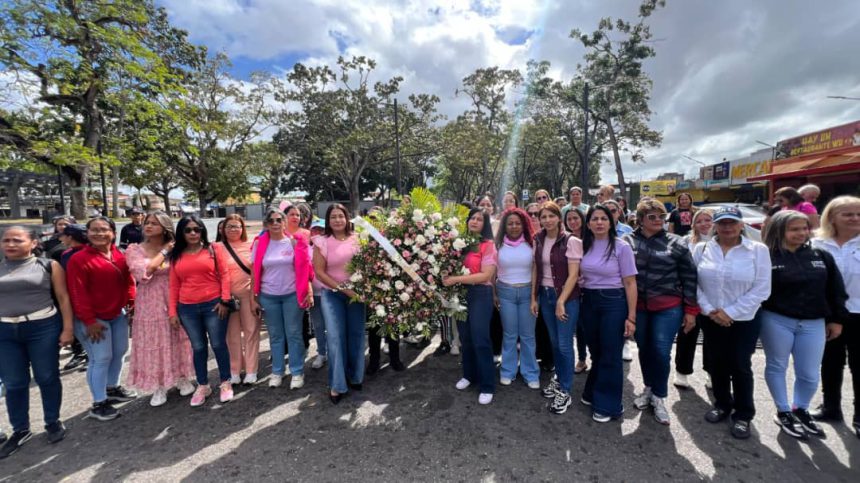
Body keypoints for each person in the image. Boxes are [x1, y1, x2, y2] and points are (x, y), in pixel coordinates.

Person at [761, 210, 848, 439]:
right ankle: (783, 411)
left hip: (814, 322)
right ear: (780, 230)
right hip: (777, 319)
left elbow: (835, 290)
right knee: (777, 366)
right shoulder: (767, 256)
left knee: (809, 373)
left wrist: (836, 319)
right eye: (794, 229)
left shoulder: (821, 255)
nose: (801, 233)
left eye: (804, 228)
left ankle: (801, 408)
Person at [693, 207, 771, 439]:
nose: (727, 227)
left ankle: (743, 414)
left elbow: (762, 288)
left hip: (744, 319)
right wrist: (710, 310)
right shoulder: (703, 248)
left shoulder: (757, 250)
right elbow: (694, 282)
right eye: (722, 223)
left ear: (741, 225)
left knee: (740, 365)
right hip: (711, 316)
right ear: (715, 225)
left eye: (732, 222)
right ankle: (722, 403)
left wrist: (730, 312)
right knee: (716, 362)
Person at [0, 227, 74, 458]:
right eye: (6, 240)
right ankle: (20, 428)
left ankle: (52, 420)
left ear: (33, 243)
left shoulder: (48, 265)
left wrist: (68, 328)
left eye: (17, 240)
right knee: (13, 382)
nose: (10, 244)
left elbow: (63, 297)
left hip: (42, 327)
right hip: (5, 330)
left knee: (47, 376)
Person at [623, 199, 699, 425]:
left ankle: (659, 396)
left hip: (668, 307)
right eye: (652, 217)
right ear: (640, 219)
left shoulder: (676, 242)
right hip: (638, 308)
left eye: (661, 217)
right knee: (645, 349)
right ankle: (648, 388)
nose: (658, 221)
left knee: (660, 351)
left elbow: (690, 276)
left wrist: (691, 310)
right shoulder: (626, 241)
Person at [66, 217, 138, 421]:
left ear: (113, 233)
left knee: (120, 352)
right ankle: (99, 403)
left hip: (117, 314)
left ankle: (112, 387)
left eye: (104, 229)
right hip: (94, 319)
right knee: (100, 358)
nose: (99, 233)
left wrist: (132, 302)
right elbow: (77, 293)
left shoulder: (118, 255)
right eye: (94, 230)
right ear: (87, 234)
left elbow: (128, 281)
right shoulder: (78, 259)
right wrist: (89, 321)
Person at [125, 212, 196, 406]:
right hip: (150, 299)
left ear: (165, 227)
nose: (148, 226)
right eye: (147, 223)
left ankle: (181, 376)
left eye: (154, 223)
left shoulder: (177, 247)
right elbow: (144, 272)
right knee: (155, 340)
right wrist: (164, 252)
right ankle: (159, 385)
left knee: (179, 336)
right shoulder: (135, 249)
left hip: (176, 294)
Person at [579, 204, 638, 422]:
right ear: (588, 224)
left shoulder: (621, 247)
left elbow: (630, 283)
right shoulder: (584, 246)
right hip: (589, 301)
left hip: (613, 302)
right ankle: (591, 391)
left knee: (611, 355)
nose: (599, 222)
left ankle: (608, 405)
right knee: (597, 352)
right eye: (594, 219)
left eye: (604, 218)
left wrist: (631, 317)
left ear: (611, 222)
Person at [168, 215, 234, 406]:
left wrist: (225, 300)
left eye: (197, 229)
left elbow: (225, 275)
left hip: (213, 305)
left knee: (218, 344)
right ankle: (203, 384)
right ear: (182, 233)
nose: (193, 233)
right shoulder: (176, 255)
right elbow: (173, 285)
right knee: (198, 347)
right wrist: (173, 312)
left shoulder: (214, 249)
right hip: (187, 308)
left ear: (202, 230)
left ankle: (225, 382)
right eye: (188, 230)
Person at [810, 196, 860, 438]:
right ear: (831, 217)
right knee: (830, 362)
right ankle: (831, 407)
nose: (854, 218)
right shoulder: (817, 244)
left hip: (858, 312)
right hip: (828, 314)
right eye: (848, 214)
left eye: (858, 214)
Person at [250, 208, 313, 390]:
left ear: (285, 223)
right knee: (276, 336)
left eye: (279, 220)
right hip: (268, 296)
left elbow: (306, 269)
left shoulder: (295, 243)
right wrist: (254, 297)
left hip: (292, 295)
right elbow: (254, 272)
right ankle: (277, 371)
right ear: (266, 225)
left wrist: (308, 290)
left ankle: (297, 371)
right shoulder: (259, 244)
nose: (275, 223)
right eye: (271, 221)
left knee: (294, 334)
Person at [532, 202, 583, 414]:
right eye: (543, 217)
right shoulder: (538, 239)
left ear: (558, 218)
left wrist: (561, 300)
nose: (547, 220)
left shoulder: (572, 241)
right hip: (544, 296)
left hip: (567, 298)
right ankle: (560, 378)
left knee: (563, 345)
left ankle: (566, 390)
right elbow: (536, 268)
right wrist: (533, 297)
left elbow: (573, 275)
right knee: (554, 343)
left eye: (551, 216)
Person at [444, 208, 497, 405]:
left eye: (479, 219)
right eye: (472, 218)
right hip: (461, 294)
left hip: (480, 294)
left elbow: (485, 275)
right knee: (465, 337)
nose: (474, 221)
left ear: (485, 225)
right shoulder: (460, 244)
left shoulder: (488, 245)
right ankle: (469, 374)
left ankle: (487, 385)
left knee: (480, 338)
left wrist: (456, 278)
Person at [313, 204, 364, 404]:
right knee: (335, 337)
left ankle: (355, 376)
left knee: (356, 334)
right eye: (333, 217)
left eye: (340, 216)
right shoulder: (321, 241)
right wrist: (344, 289)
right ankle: (337, 384)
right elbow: (319, 272)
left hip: (357, 294)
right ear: (328, 220)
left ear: (347, 218)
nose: (337, 220)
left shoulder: (358, 239)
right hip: (332, 294)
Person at [494, 208, 539, 389]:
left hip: (528, 293)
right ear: (505, 225)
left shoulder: (532, 243)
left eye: (517, 223)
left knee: (528, 336)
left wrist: (534, 296)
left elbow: (536, 269)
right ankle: (508, 370)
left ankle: (530, 372)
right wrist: (494, 294)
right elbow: (492, 271)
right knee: (510, 335)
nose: (514, 227)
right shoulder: (497, 245)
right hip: (505, 293)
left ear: (524, 225)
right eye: (510, 223)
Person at [218, 215, 261, 385]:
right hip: (227, 298)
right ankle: (235, 370)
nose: (233, 230)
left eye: (237, 226)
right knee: (232, 336)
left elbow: (256, 272)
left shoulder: (251, 246)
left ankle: (251, 370)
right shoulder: (217, 247)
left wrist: (254, 297)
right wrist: (222, 297)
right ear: (223, 229)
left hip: (248, 295)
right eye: (229, 226)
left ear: (243, 228)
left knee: (251, 332)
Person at [674, 209, 714, 390]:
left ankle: (712, 372)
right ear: (693, 225)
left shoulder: (725, 243)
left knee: (712, 340)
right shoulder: (685, 243)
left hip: (715, 301)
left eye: (709, 220)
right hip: (691, 298)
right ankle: (682, 372)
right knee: (687, 334)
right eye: (700, 221)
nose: (705, 224)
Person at [56, 224, 89, 371]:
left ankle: (90, 356)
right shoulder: (65, 254)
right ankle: (82, 353)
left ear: (70, 237)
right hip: (71, 298)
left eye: (63, 235)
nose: (61, 238)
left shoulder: (90, 252)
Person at [564, 208, 590, 374]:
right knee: (579, 327)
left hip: (590, 287)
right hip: (574, 289)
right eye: (569, 219)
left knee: (590, 326)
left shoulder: (591, 238)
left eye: (576, 218)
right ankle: (582, 359)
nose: (573, 221)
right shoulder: (566, 239)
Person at [308, 219, 329, 368]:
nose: (317, 233)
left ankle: (334, 352)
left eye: (320, 230)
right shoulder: (306, 249)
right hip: (314, 294)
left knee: (333, 325)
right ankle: (322, 352)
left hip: (330, 292)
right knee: (318, 325)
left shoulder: (330, 246)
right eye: (314, 230)